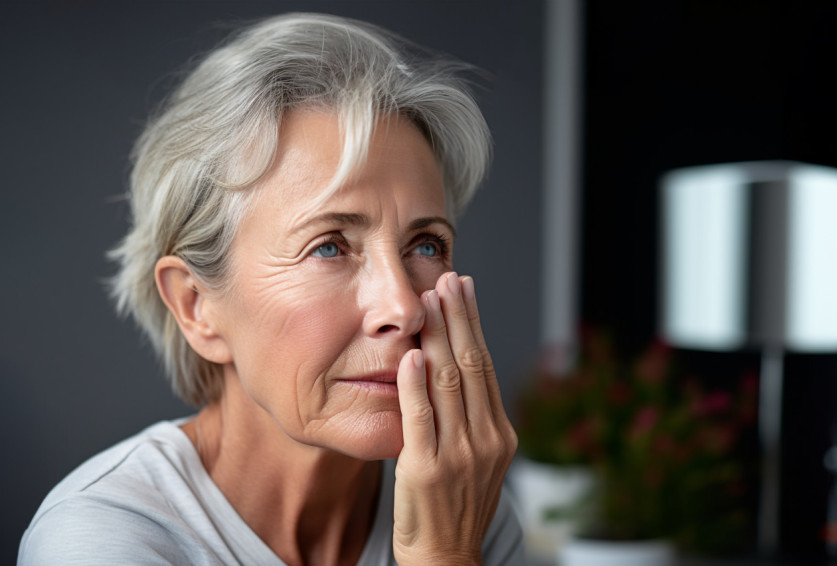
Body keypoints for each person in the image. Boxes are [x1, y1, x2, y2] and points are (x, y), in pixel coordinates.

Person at [18, 12, 523, 566]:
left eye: (426, 245)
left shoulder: (466, 506)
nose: (403, 307)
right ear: (197, 306)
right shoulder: (102, 538)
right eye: (329, 245)